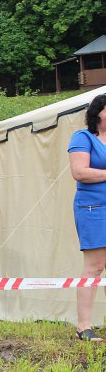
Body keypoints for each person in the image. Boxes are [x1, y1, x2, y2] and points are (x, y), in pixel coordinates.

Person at [68, 94, 106, 342]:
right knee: (94, 267)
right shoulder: (83, 138)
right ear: (99, 113)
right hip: (93, 208)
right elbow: (79, 172)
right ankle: (84, 326)